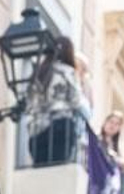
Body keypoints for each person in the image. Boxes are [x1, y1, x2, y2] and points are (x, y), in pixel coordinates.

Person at [25, 36, 91, 166]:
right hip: (60, 130)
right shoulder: (67, 72)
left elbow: (29, 102)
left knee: (42, 171)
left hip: (36, 134)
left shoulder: (38, 73)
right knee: (58, 170)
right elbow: (76, 100)